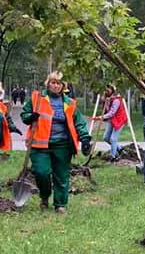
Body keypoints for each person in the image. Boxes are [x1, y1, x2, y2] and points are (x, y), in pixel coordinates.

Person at [21, 71, 92, 213]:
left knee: (61, 175)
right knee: (41, 173)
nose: (55, 85)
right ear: (48, 83)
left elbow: (79, 122)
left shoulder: (70, 103)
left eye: (59, 83)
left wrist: (84, 138)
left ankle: (60, 204)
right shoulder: (37, 98)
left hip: (63, 144)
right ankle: (45, 196)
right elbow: (25, 115)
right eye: (53, 82)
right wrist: (31, 117)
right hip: (40, 145)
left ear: (63, 86)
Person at [97, 84, 128, 161]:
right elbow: (106, 110)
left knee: (113, 139)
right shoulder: (108, 99)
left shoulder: (116, 100)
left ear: (112, 91)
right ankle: (120, 149)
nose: (106, 91)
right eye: (105, 90)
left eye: (108, 90)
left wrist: (102, 117)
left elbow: (112, 112)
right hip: (112, 119)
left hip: (119, 120)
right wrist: (104, 101)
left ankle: (113, 157)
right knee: (106, 137)